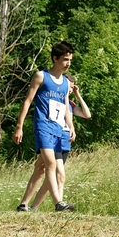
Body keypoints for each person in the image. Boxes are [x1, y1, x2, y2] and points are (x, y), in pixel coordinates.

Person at [12, 41, 76, 212]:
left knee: (40, 169)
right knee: (51, 163)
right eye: (64, 59)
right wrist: (19, 126)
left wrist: (70, 126)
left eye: (70, 59)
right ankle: (59, 203)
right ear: (55, 58)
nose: (68, 63)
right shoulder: (41, 76)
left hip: (57, 129)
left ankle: (24, 205)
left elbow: (65, 107)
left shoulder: (64, 82)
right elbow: (27, 101)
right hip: (43, 126)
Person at [20, 73, 91, 211]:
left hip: (64, 141)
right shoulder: (53, 98)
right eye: (68, 87)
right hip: (51, 135)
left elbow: (87, 114)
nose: (69, 90)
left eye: (71, 87)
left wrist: (77, 95)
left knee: (43, 171)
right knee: (57, 173)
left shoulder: (70, 104)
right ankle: (59, 204)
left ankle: (31, 206)